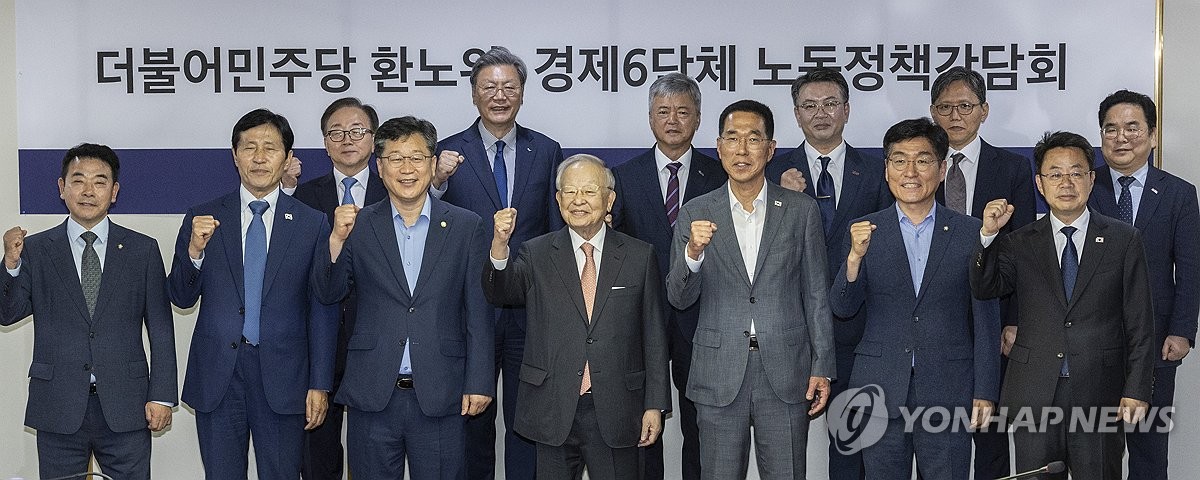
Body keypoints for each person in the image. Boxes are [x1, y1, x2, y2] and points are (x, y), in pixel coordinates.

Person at [315, 116, 494, 478]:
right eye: (396, 159)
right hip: (372, 392)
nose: (407, 169)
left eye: (416, 157)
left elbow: (478, 311)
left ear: (433, 162)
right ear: (380, 168)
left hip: (442, 391)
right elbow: (328, 292)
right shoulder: (357, 225)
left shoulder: (467, 226)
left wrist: (479, 381)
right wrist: (335, 240)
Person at [970, 131, 1155, 479]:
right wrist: (988, 235)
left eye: (1076, 173)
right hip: (1034, 392)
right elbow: (985, 287)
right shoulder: (1018, 241)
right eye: (1055, 174)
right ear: (1040, 184)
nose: (1066, 183)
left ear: (1091, 179)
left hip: (1100, 392)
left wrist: (1137, 389)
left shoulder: (1123, 239)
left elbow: (1140, 323)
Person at [666, 99, 835, 479]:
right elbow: (678, 297)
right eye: (732, 138)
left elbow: (816, 295)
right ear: (718, 147)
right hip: (718, 371)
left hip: (786, 369)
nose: (742, 150)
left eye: (753, 139)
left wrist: (822, 365)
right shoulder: (695, 211)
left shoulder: (800, 210)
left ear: (770, 148)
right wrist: (693, 254)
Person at [168, 109, 337, 479]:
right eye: (249, 147)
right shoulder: (204, 216)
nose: (259, 157)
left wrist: (320, 383)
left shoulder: (311, 223)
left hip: (285, 376)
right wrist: (194, 251)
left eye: (270, 148)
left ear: (287, 158)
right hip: (219, 374)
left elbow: (322, 308)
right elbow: (180, 296)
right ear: (235, 156)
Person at [827, 118, 999, 479]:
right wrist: (854, 258)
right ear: (886, 169)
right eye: (899, 160)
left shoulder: (970, 232)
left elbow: (986, 319)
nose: (910, 172)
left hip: (949, 389)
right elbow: (843, 308)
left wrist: (985, 390)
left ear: (941, 169)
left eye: (922, 160)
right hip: (879, 388)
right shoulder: (864, 230)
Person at [483, 154, 670, 479]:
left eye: (589, 191)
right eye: (569, 192)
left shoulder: (639, 255)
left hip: (617, 408)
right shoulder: (535, 253)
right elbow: (501, 292)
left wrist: (655, 404)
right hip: (552, 406)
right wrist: (500, 246)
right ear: (558, 200)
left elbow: (653, 335)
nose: (578, 200)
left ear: (609, 199)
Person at [1, 144, 177, 479]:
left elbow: (161, 328)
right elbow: (6, 314)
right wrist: (10, 264)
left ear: (114, 191)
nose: (88, 191)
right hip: (57, 405)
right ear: (62, 187)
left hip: (127, 404)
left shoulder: (142, 249)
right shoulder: (36, 249)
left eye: (99, 182)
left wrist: (163, 396)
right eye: (78, 180)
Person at [431, 45, 565, 480]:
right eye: (489, 87)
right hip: (469, 309)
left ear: (523, 93)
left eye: (509, 86)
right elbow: (429, 224)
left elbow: (555, 234)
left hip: (529, 308)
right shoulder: (447, 154)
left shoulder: (546, 150)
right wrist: (437, 183)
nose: (499, 95)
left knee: (527, 420)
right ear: (473, 94)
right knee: (472, 417)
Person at [763, 67, 891, 480]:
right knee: (783, 446)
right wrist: (781, 200)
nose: (821, 113)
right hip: (790, 329)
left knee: (852, 441)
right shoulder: (769, 173)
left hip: (859, 330)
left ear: (847, 110)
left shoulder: (877, 171)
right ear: (796, 115)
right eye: (810, 105)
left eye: (831, 103)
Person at [610, 72, 725, 480]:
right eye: (663, 112)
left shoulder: (721, 176)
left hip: (703, 315)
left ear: (698, 119)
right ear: (650, 118)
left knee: (701, 423)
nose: (673, 120)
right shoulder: (623, 176)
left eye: (683, 112)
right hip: (641, 317)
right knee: (644, 423)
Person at [929, 66, 1037, 478]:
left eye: (965, 106)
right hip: (935, 317)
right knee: (935, 436)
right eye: (945, 107)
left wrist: (1015, 320)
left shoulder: (1012, 168)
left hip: (992, 313)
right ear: (933, 112)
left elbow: (1026, 252)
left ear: (984, 110)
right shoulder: (919, 166)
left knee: (990, 434)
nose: (955, 116)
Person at [1087, 89, 1198, 479]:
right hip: (1091, 342)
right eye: (1110, 129)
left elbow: (1190, 269)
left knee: (1149, 450)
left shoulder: (1178, 193)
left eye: (1132, 128)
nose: (1121, 138)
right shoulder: (1083, 187)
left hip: (1156, 340)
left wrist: (1182, 330)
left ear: (1152, 135)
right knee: (1096, 450)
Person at [284, 97, 389, 480]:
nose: (347, 139)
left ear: (374, 140)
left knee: (373, 453)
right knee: (317, 453)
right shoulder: (303, 197)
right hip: (318, 343)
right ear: (325, 143)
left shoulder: (395, 192)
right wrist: (286, 191)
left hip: (377, 341)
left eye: (357, 131)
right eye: (336, 133)